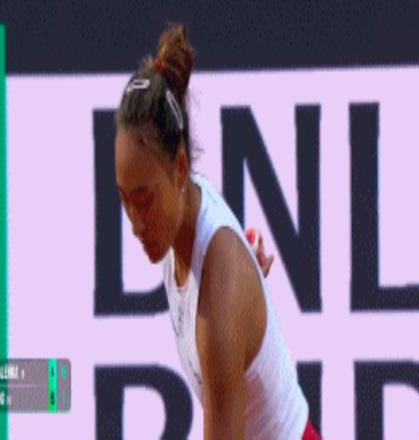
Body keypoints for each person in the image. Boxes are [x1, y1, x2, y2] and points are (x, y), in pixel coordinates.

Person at [114, 22, 321, 440]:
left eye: (145, 200)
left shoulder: (220, 295)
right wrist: (247, 280)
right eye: (124, 199)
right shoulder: (186, 207)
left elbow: (228, 284)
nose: (135, 223)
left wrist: (240, 285)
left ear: (180, 168)